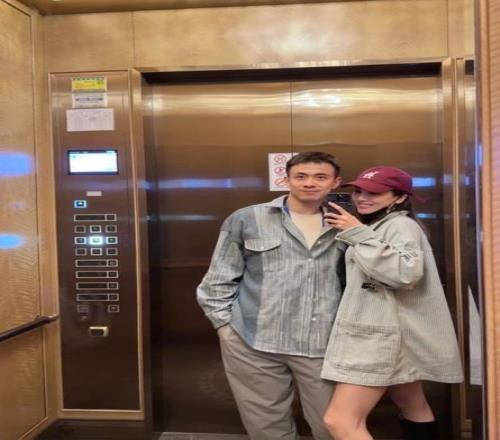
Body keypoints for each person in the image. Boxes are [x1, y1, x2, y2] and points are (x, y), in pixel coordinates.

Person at [197, 151, 346, 440]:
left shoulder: (345, 223)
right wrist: (225, 327)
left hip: (323, 344)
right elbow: (218, 278)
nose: (309, 183)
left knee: (332, 425)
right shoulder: (247, 218)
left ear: (335, 182)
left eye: (320, 177)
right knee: (266, 427)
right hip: (254, 342)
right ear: (285, 179)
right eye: (300, 176)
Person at [320, 166, 464, 440]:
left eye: (374, 193)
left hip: (381, 337)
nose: (362, 198)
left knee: (339, 421)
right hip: (393, 331)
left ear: (400, 197)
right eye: (358, 191)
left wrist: (357, 233)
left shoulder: (399, 225)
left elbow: (405, 273)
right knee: (413, 405)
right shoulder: (382, 225)